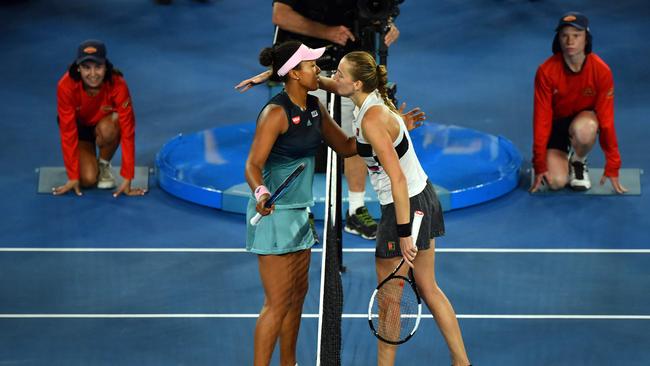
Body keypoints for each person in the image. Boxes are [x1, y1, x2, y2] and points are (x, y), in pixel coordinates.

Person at [329, 51, 471, 366]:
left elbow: (396, 180)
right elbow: (328, 86)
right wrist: (287, 75)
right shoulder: (372, 102)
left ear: (355, 84)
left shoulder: (370, 119)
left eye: (339, 74)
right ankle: (462, 362)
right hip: (423, 196)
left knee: (389, 301)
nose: (334, 78)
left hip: (403, 206)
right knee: (428, 287)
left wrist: (404, 234)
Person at [244, 41, 357, 366]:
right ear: (294, 73)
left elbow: (347, 147)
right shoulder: (275, 113)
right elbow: (252, 165)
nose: (317, 70)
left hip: (299, 215)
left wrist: (386, 131)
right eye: (311, 66)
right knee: (276, 304)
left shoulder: (315, 107)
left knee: (296, 300)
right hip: (273, 215)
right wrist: (262, 193)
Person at [270, 0, 402, 240]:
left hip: (350, 64)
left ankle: (356, 209)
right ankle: (302, 212)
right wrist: (326, 33)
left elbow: (374, 8)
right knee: (301, 141)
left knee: (358, 135)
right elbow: (280, 15)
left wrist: (386, 24)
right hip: (306, 69)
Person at [530, 12, 627, 194]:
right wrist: (539, 163)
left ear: (586, 39)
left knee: (587, 128)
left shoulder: (601, 71)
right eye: (564, 35)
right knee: (556, 182)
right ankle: (561, 160)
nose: (570, 41)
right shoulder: (546, 72)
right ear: (558, 39)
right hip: (556, 126)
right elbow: (541, 119)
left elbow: (606, 120)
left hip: (582, 121)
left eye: (576, 36)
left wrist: (613, 164)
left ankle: (578, 160)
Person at [55, 39, 146, 197]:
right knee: (88, 180)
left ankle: (103, 164)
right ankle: (89, 163)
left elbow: (128, 131)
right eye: (86, 68)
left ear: (106, 66)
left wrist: (128, 176)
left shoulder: (118, 84)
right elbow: (68, 132)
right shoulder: (65, 86)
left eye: (98, 67)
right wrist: (72, 176)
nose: (93, 74)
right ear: (78, 68)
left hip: (105, 126)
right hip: (80, 129)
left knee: (111, 126)